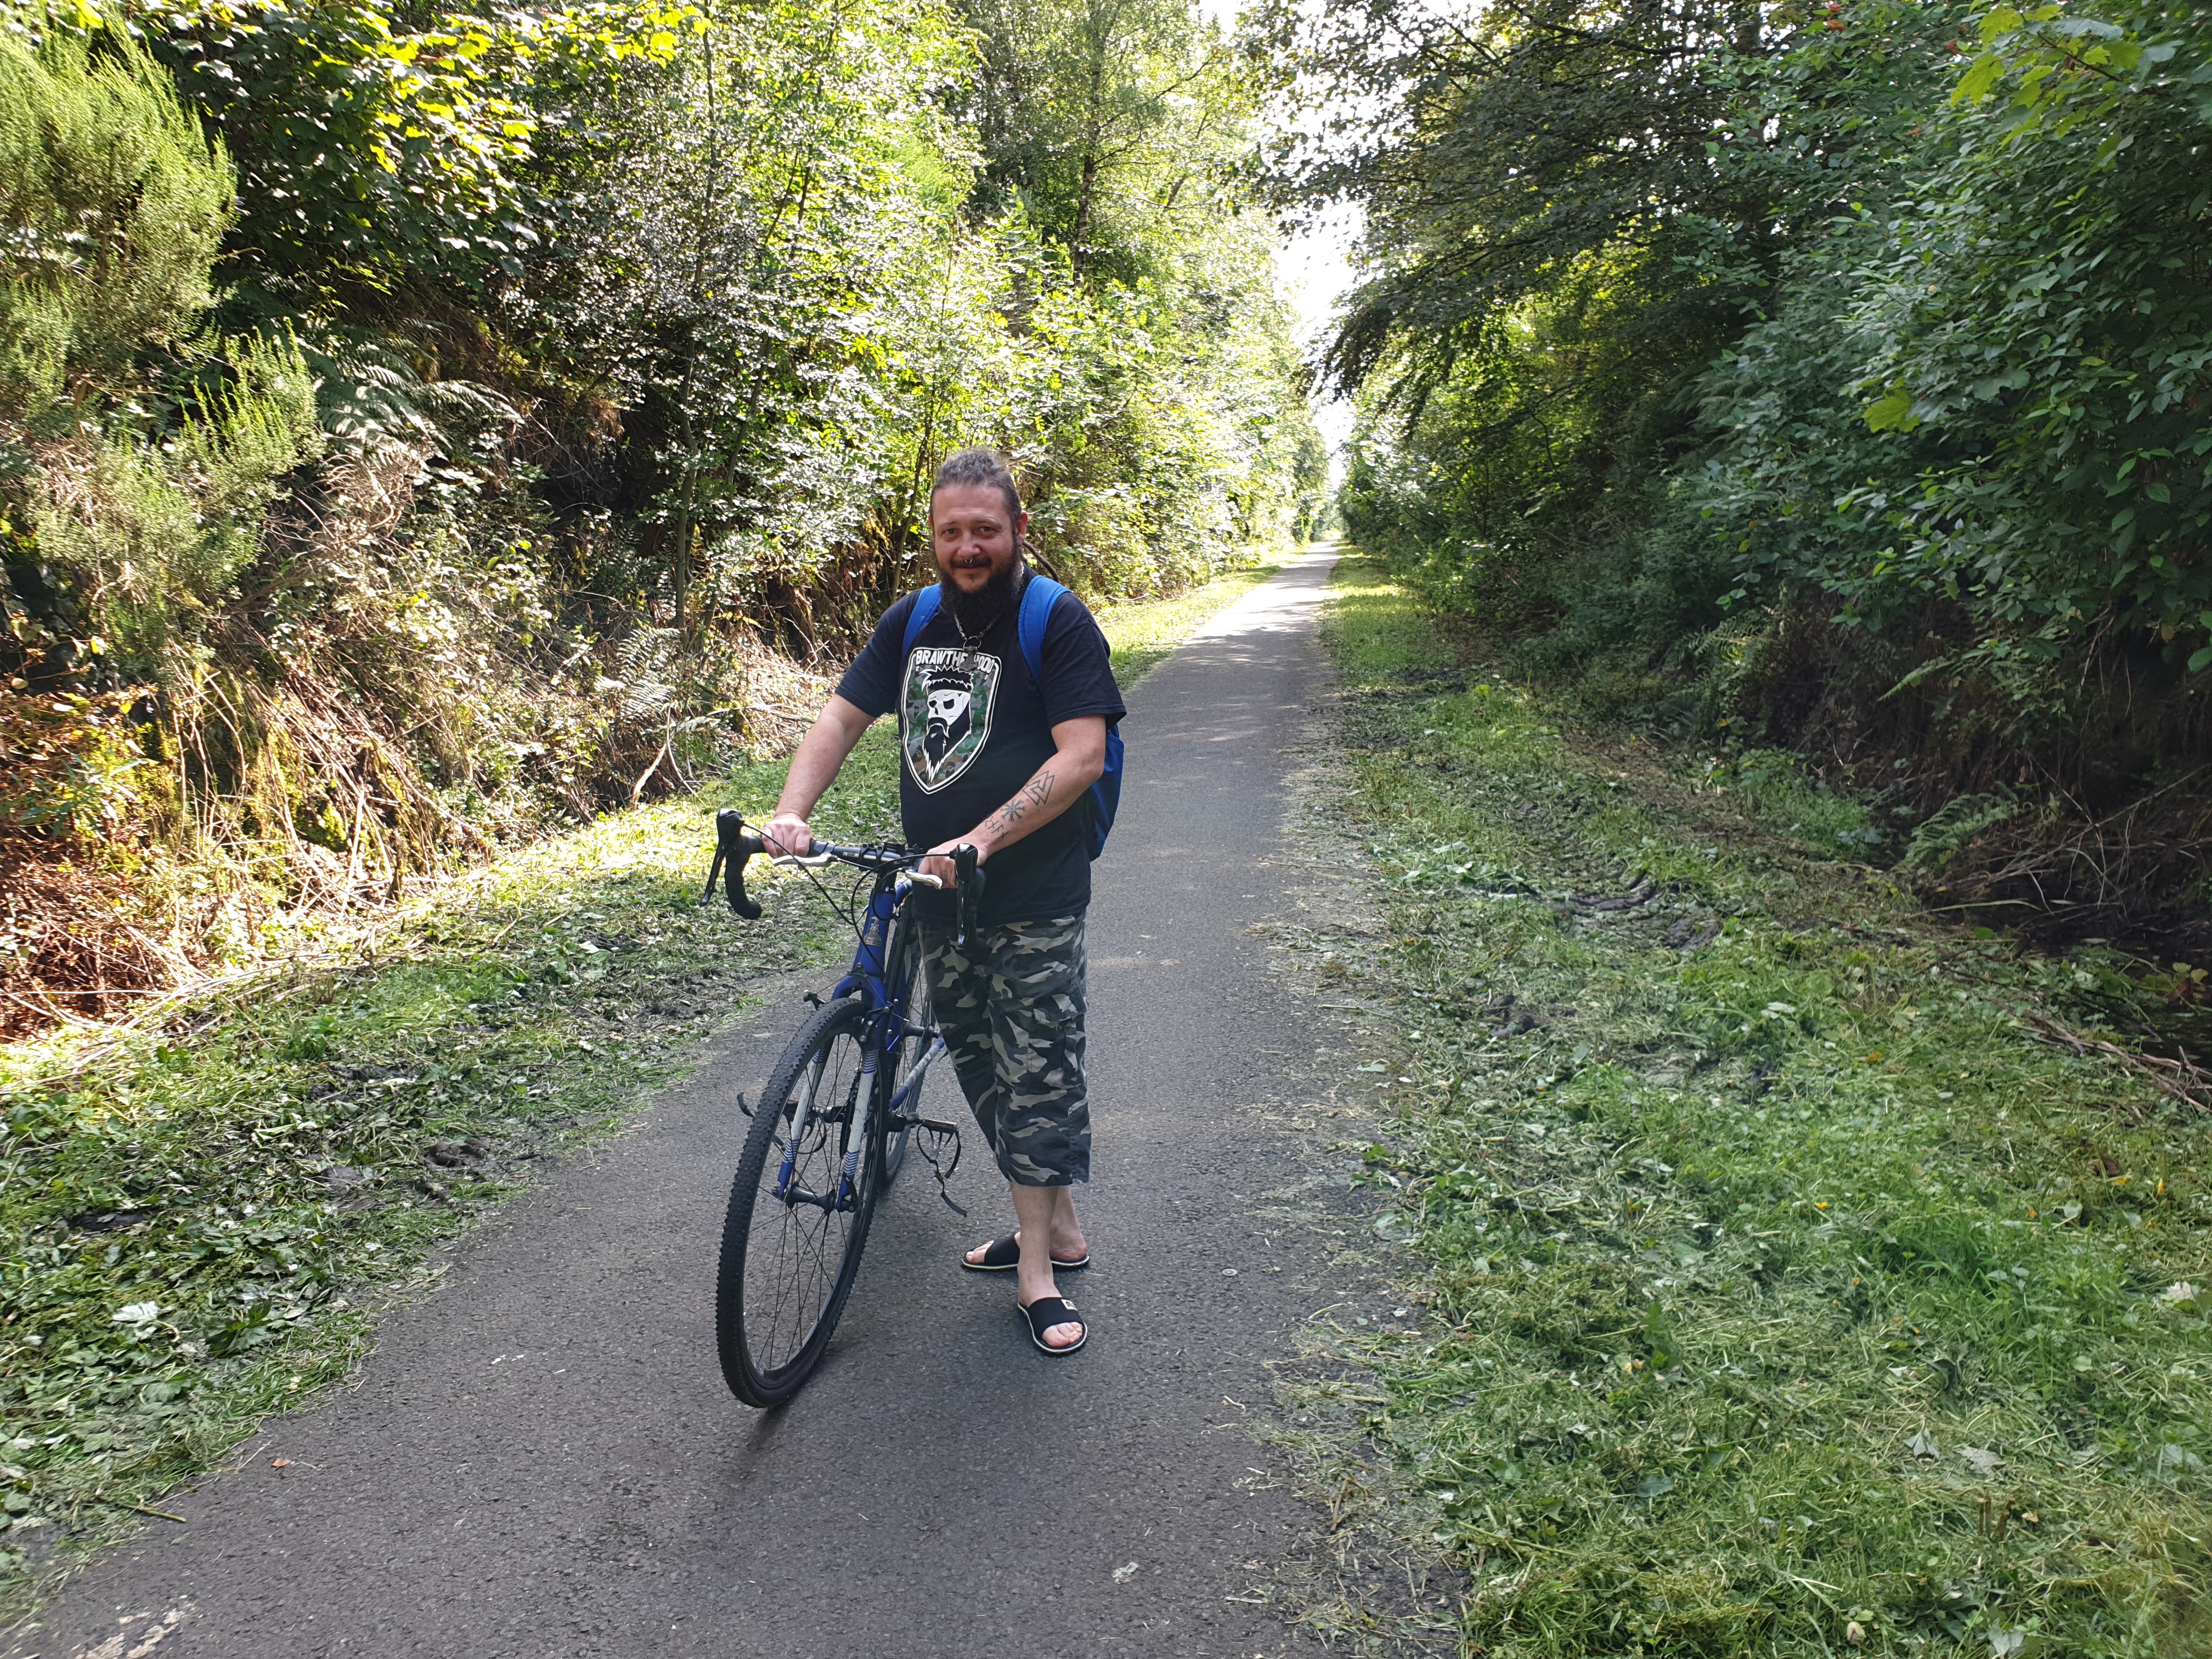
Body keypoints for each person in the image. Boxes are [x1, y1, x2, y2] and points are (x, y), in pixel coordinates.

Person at [762, 448, 1126, 1356]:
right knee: (981, 1068)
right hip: (935, 890)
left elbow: (1081, 756)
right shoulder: (915, 620)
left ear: (1018, 532)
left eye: (985, 531)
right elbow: (842, 716)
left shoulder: (1058, 621)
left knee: (1038, 1072)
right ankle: (1060, 1227)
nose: (968, 548)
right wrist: (791, 811)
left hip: (1033, 893)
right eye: (952, 532)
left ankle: (1038, 1273)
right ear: (933, 537)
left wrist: (981, 839)